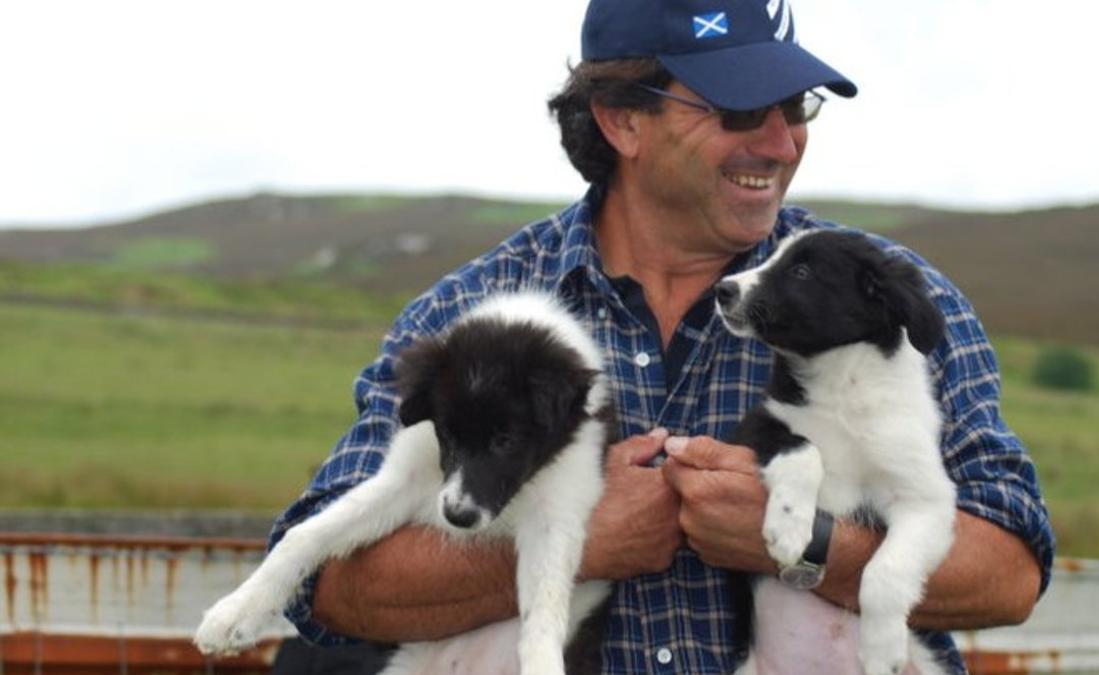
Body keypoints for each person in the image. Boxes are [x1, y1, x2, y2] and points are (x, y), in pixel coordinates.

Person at [268, 0, 1056, 672]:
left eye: (797, 106)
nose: (782, 142)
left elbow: (1013, 571)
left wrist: (805, 542)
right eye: (742, 110)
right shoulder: (472, 316)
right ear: (620, 120)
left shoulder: (882, 294)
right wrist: (573, 541)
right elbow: (330, 585)